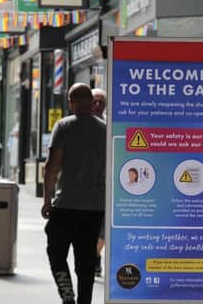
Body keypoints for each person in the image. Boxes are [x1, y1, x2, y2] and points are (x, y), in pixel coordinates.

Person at [42, 83, 106, 304]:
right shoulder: (105, 130)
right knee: (86, 260)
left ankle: (67, 294)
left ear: (71, 102)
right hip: (94, 207)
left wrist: (47, 200)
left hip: (66, 204)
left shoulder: (63, 127)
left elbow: (52, 166)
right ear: (91, 102)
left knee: (56, 252)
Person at [91, 88, 107, 277]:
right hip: (84, 187)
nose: (97, 104)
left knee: (102, 229)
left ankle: (94, 256)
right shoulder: (76, 124)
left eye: (100, 101)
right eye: (94, 100)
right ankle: (92, 257)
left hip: (105, 186)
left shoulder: (109, 123)